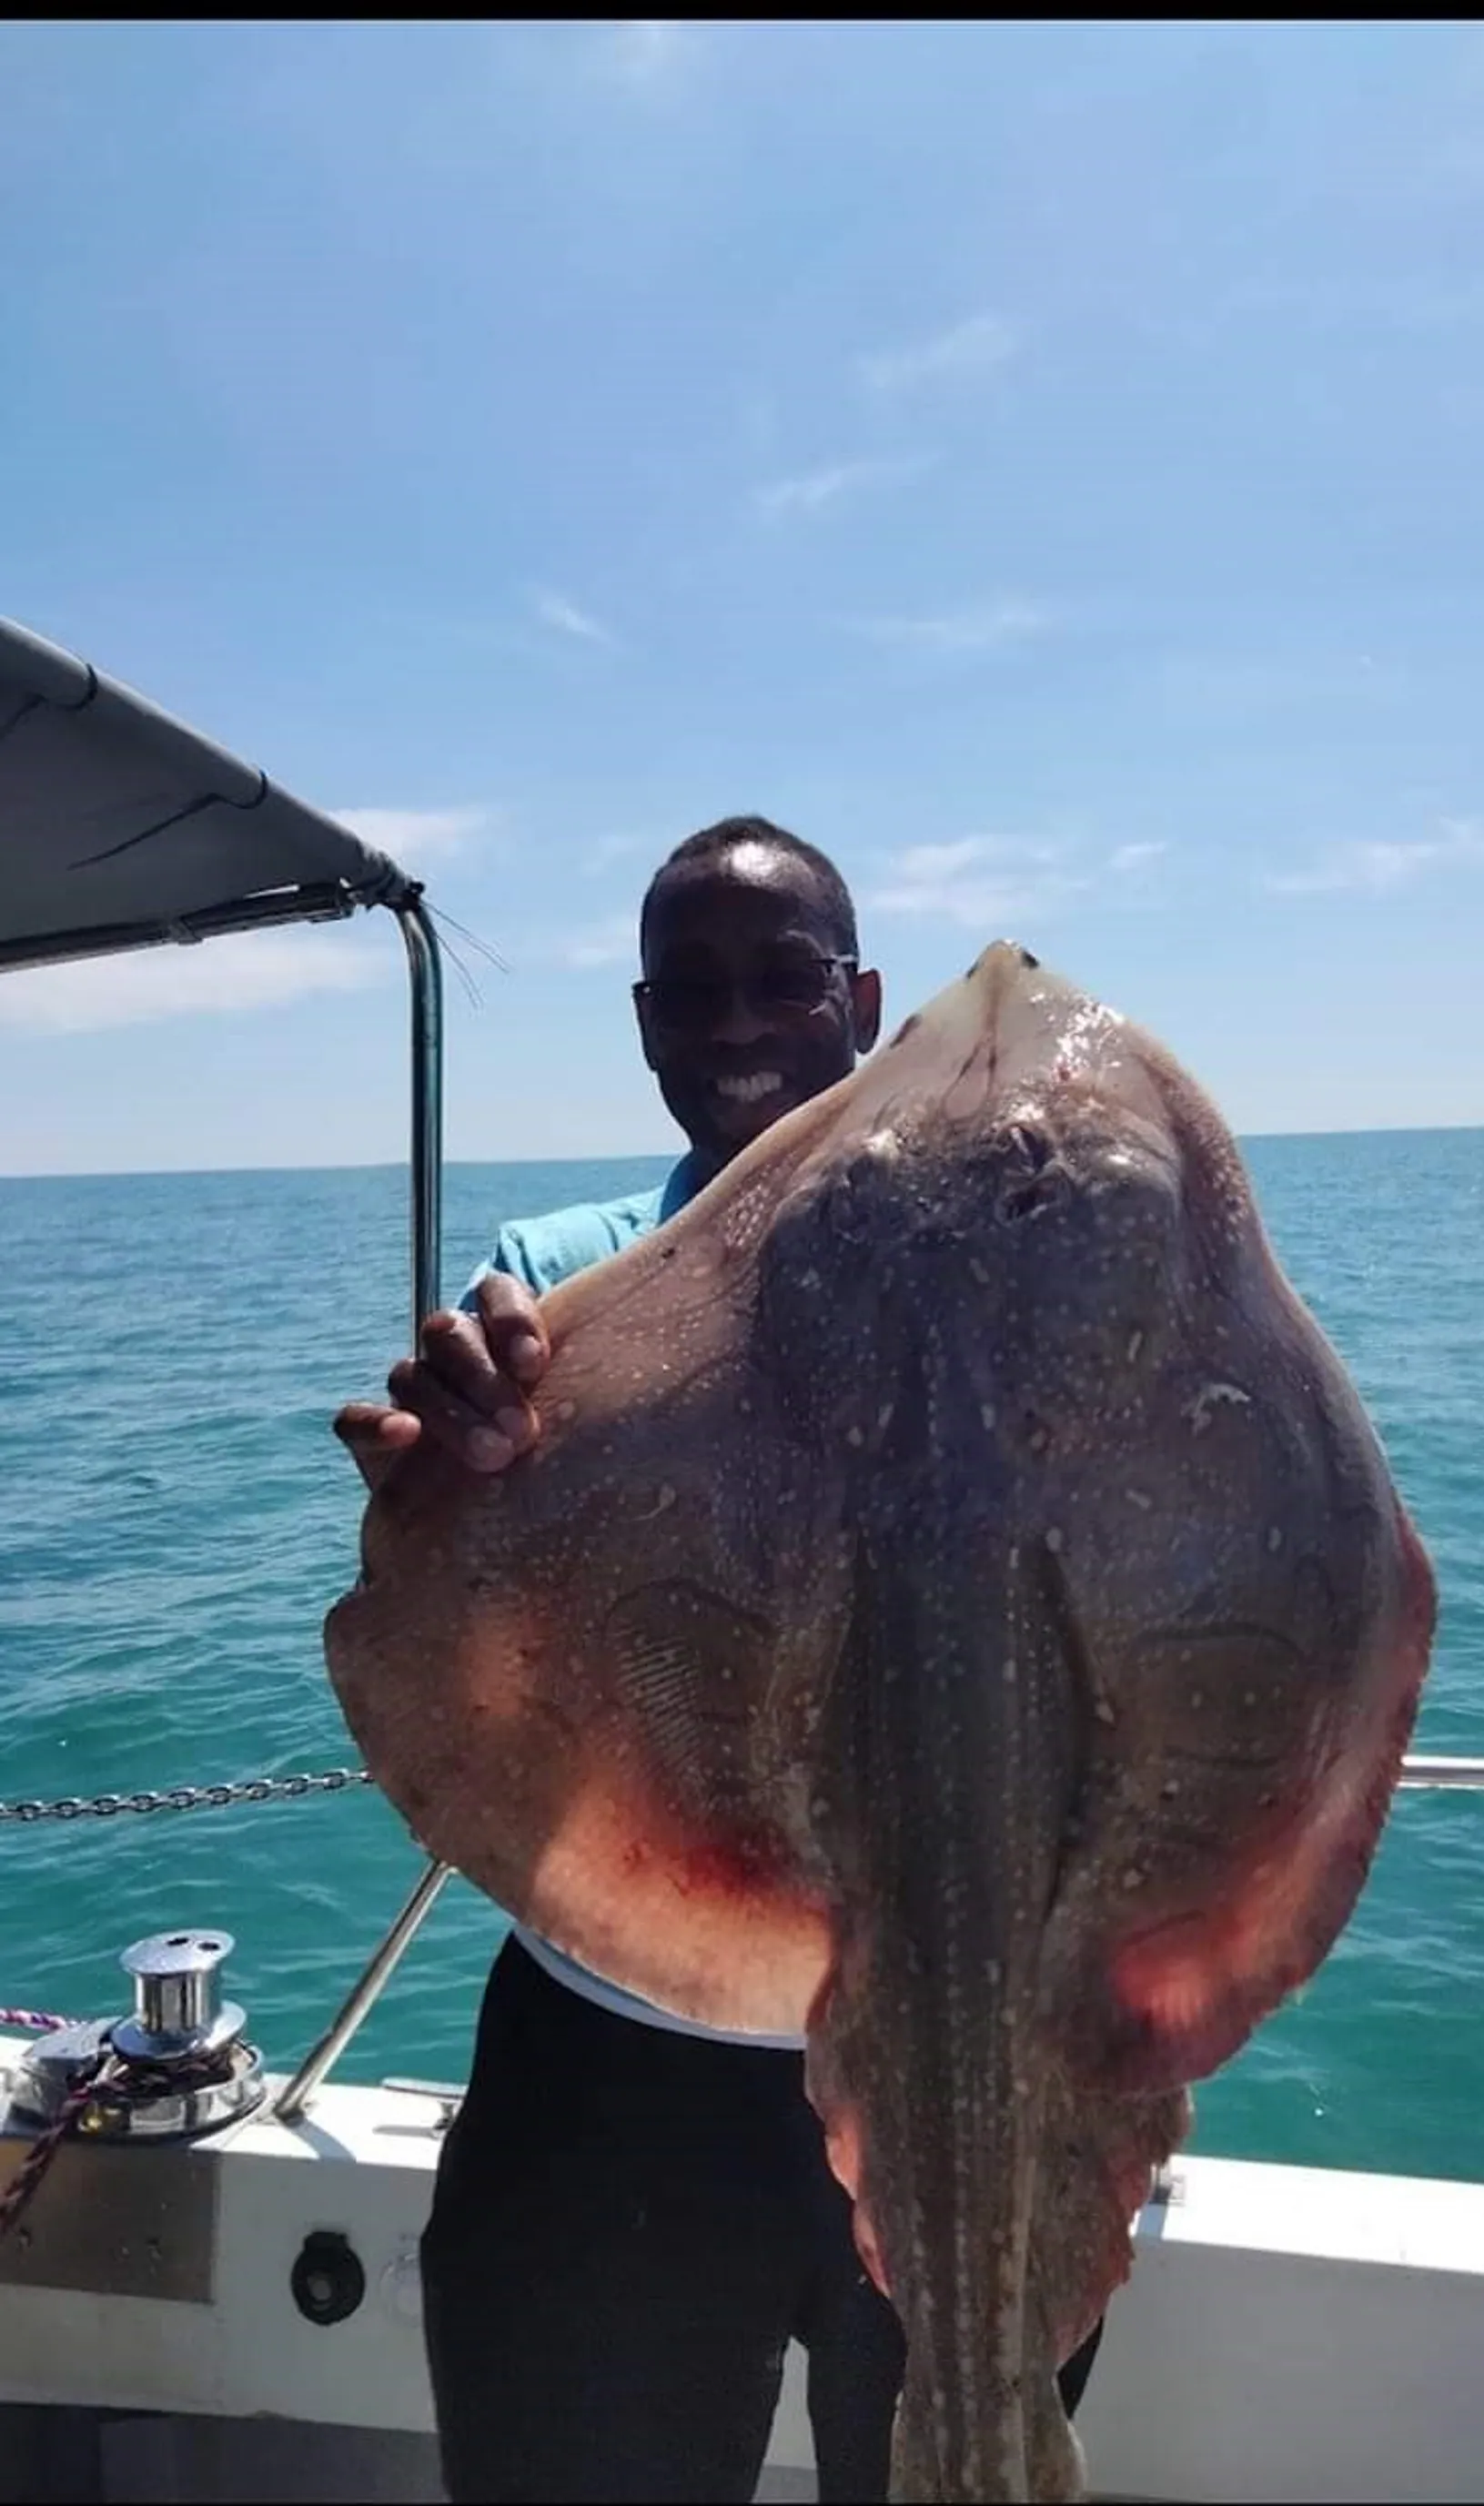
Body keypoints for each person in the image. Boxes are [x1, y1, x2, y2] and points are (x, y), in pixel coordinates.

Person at [334, 817, 1103, 2504]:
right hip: (623, 2046)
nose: (739, 1022)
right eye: (691, 991)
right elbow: (462, 1626)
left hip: (966, 2038)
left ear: (864, 1001)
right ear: (645, 1025)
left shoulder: (1031, 1268)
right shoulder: (568, 1285)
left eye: (784, 979)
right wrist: (446, 1482)